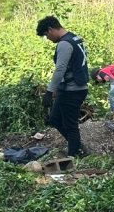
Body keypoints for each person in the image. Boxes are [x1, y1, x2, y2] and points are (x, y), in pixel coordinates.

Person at [36, 15, 90, 157]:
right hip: (72, 87)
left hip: (73, 90)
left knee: (70, 124)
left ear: (50, 30)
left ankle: (75, 154)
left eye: (46, 35)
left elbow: (60, 69)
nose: (48, 39)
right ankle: (77, 146)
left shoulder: (64, 44)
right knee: (55, 119)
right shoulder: (75, 38)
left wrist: (49, 91)